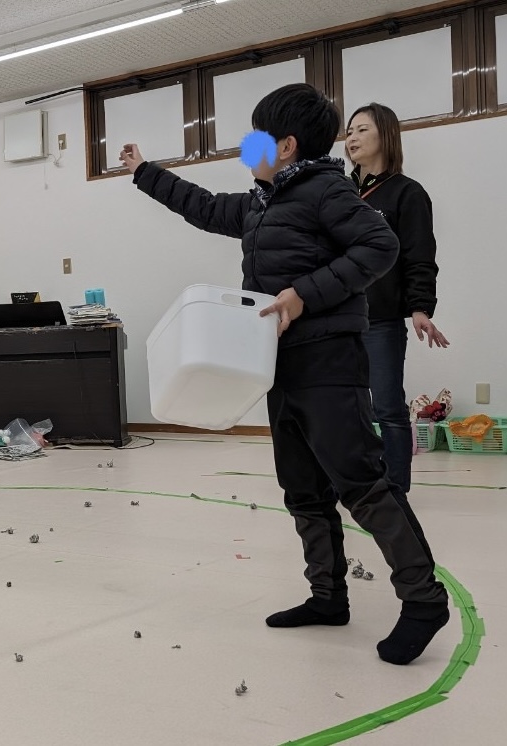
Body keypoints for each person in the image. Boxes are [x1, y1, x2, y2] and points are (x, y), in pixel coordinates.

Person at [119, 83, 449, 665]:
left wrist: (303, 294)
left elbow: (380, 245)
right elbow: (203, 206)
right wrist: (145, 172)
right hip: (278, 365)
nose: (247, 148)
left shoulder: (326, 190)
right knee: (302, 487)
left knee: (361, 484)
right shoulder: (261, 202)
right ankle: (328, 596)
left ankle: (423, 600)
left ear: (287, 145)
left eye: (256, 138)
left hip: (330, 360)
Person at [345, 103, 449, 493]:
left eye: (362, 130)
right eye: (349, 131)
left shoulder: (408, 193)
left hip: (381, 319)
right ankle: (353, 483)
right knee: (345, 408)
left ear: (386, 136)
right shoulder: (340, 193)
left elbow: (419, 255)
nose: (352, 138)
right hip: (338, 319)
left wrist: (419, 307)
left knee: (386, 408)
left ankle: (395, 490)